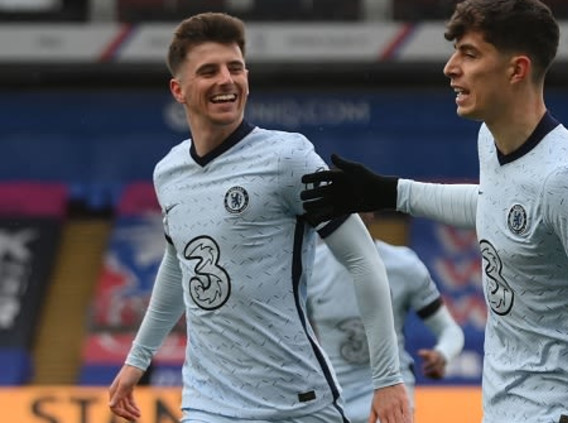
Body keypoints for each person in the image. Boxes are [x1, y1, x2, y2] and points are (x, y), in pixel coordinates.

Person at [300, 1, 568, 422]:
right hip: (506, 404)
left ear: (516, 70)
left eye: (469, 54)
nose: (450, 68)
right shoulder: (490, 140)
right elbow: (493, 207)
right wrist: (387, 192)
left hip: (564, 408)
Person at [107, 12, 412, 423]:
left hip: (297, 403)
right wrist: (137, 359)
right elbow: (179, 265)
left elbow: (362, 259)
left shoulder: (289, 158)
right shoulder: (169, 173)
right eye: (209, 71)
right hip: (207, 403)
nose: (226, 80)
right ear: (178, 90)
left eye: (235, 68)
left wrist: (388, 378)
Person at [306, 213, 465, 423]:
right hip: (331, 398)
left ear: (370, 212)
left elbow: (450, 330)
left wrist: (443, 354)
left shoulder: (405, 265)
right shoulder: (309, 269)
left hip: (393, 391)